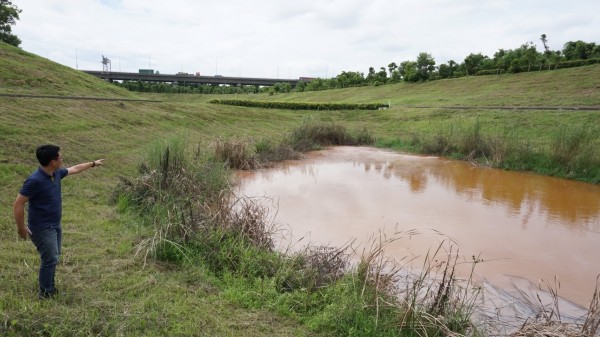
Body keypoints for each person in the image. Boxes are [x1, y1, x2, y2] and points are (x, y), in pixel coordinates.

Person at [13, 144, 104, 299]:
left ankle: (50, 286)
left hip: (55, 225)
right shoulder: (34, 180)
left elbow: (74, 169)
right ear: (52, 162)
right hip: (42, 228)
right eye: (60, 157)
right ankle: (46, 292)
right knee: (50, 258)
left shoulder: (55, 174)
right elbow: (18, 204)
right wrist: (21, 228)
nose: (62, 159)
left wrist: (93, 163)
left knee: (53, 257)